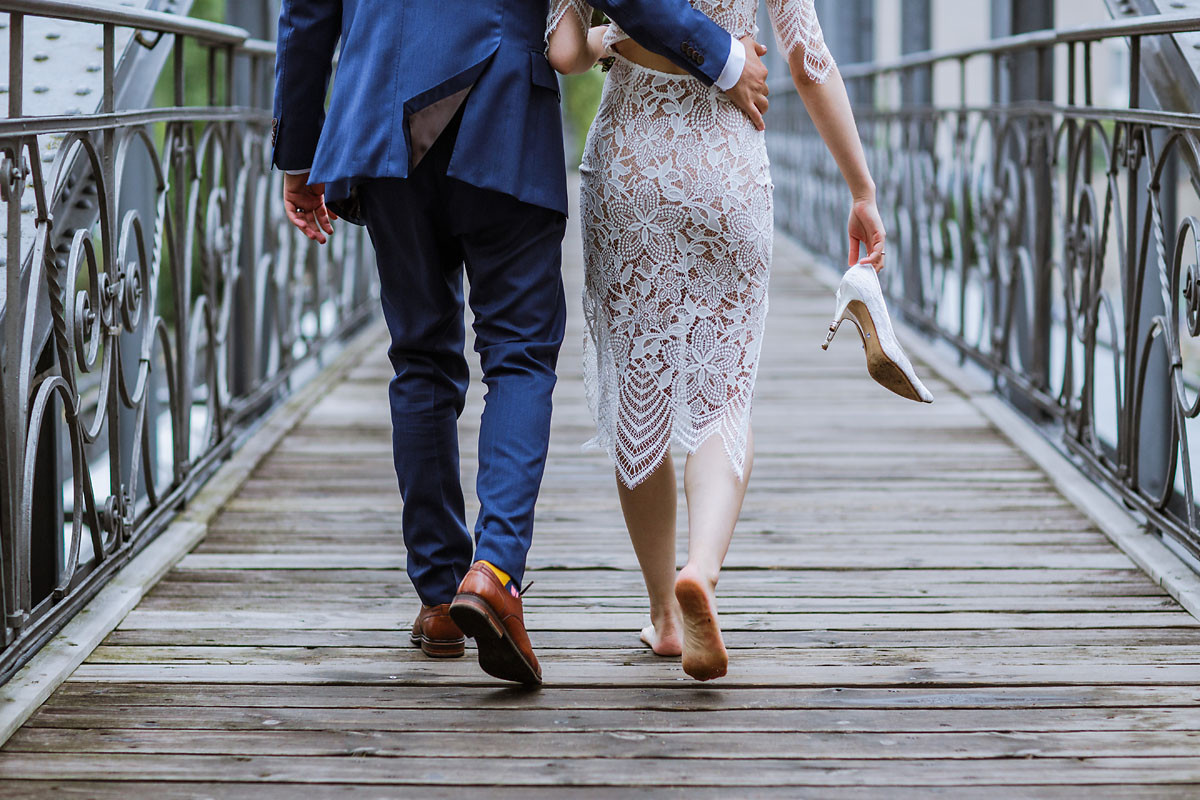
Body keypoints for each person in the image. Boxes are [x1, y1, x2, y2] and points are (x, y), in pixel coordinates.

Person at [272, 0, 771, 685]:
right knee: (519, 354)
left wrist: (298, 151)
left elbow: (305, 15)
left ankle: (443, 595)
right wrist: (721, 58)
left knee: (419, 358)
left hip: (380, 111)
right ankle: (495, 571)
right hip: (498, 100)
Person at [546, 0, 889, 681]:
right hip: (726, 162)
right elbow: (808, 58)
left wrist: (616, 35)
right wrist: (861, 186)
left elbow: (561, 53)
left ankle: (665, 619)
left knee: (640, 392)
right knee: (723, 394)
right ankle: (699, 569)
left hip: (631, 162)